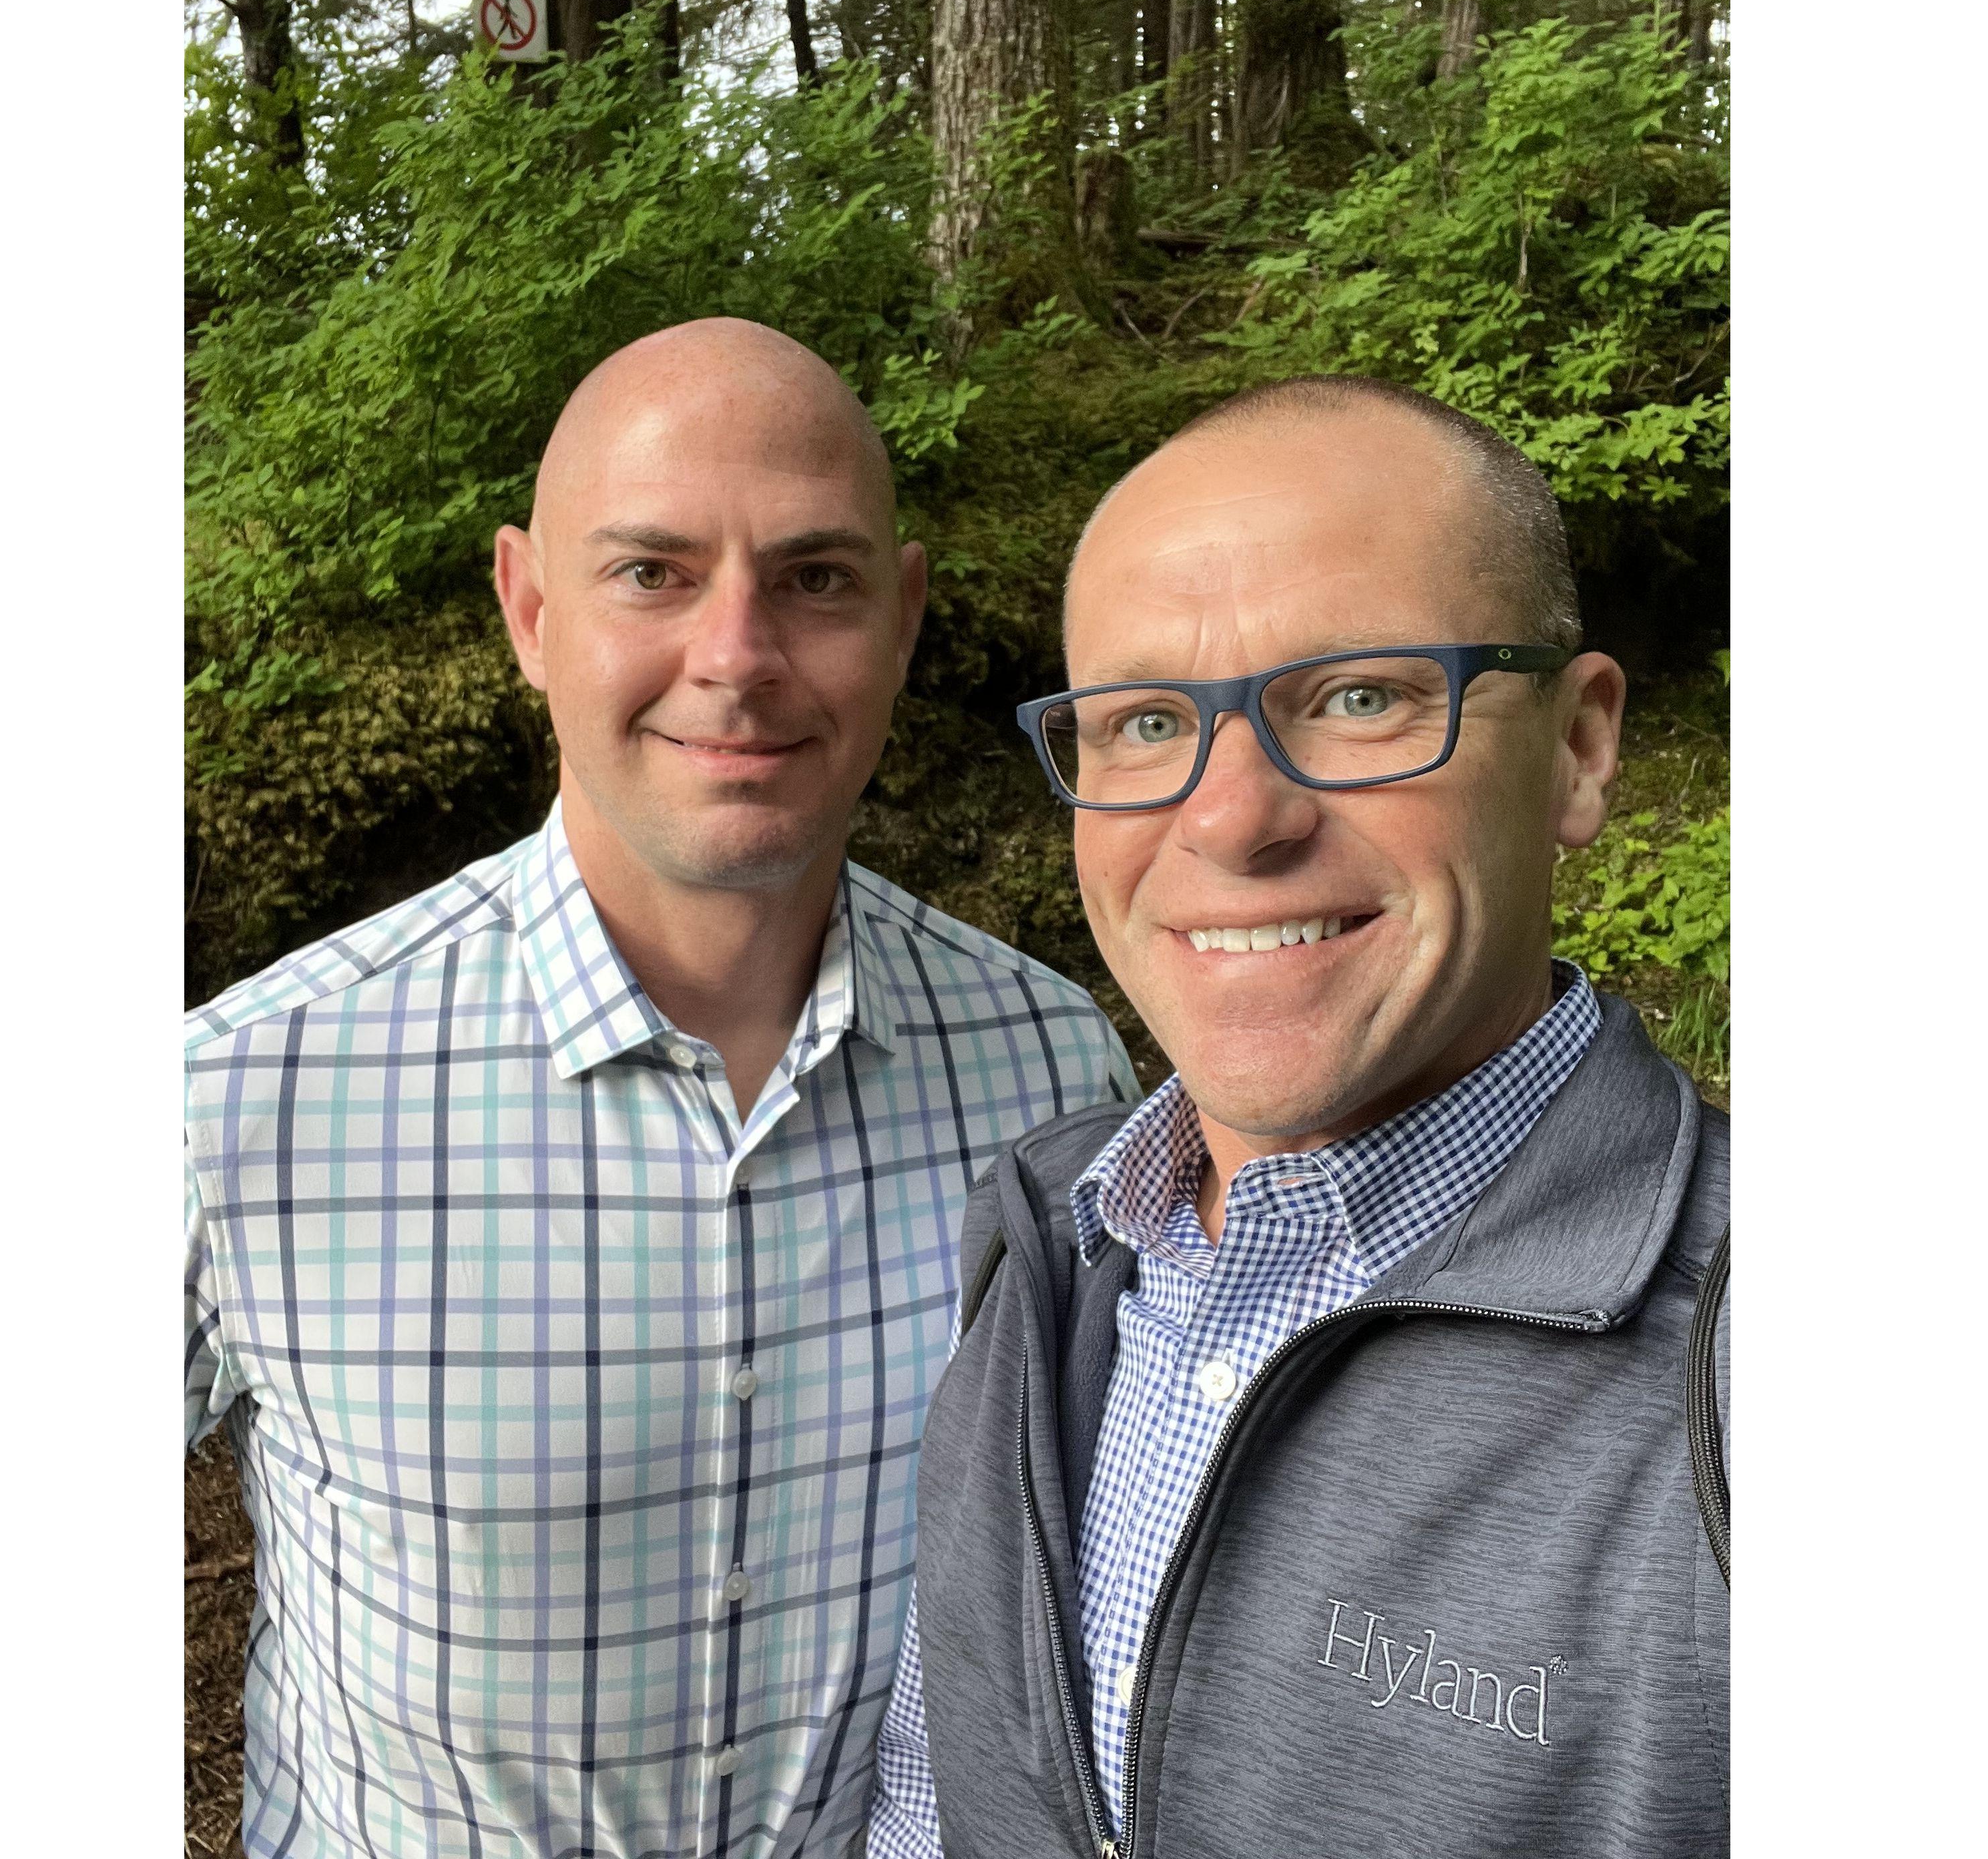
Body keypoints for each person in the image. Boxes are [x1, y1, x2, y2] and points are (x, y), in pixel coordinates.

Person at [184, 318, 1137, 1859]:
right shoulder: (241, 1093)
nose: (737, 655)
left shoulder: (1049, 1068)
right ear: (529, 609)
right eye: (651, 571)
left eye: (814, 577)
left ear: (900, 618)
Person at [866, 376, 1728, 1859]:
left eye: (1358, 697)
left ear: (1579, 749)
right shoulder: (1045, 1241)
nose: (1228, 817)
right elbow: (934, 1794)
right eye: (1145, 722)